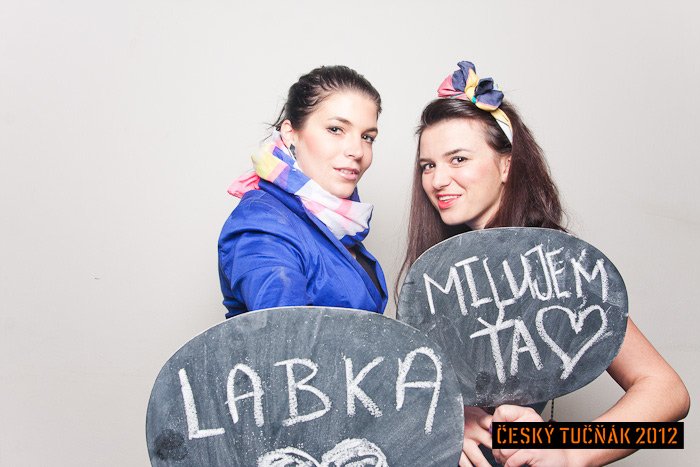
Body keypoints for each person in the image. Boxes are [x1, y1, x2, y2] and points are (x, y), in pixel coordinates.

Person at [398, 61, 690, 466]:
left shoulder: (554, 269)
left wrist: (570, 452)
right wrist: (447, 415)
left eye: (458, 159)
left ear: (506, 164)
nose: (438, 180)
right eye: (428, 165)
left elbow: (670, 395)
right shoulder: (436, 277)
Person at [219, 65, 387, 318]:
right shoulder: (263, 225)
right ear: (290, 134)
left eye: (367, 137)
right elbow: (285, 333)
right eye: (336, 129)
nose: (357, 151)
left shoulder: (335, 223)